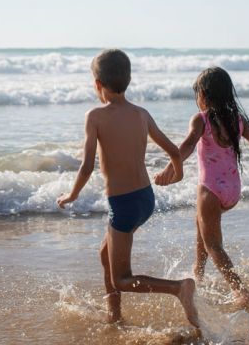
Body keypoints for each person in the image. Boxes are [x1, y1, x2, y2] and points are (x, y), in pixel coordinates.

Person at [58, 49, 199, 327]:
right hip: (145, 200)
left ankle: (178, 288)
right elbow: (173, 150)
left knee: (121, 278)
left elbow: (87, 166)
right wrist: (178, 174)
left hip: (122, 205)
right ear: (129, 79)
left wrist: (72, 194)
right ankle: (114, 315)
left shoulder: (95, 116)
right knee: (105, 255)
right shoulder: (141, 114)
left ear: (97, 84)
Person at [156, 66, 249, 310]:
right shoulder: (237, 121)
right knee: (201, 225)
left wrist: (170, 169)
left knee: (214, 245)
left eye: (197, 94)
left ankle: (240, 291)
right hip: (232, 191)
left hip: (210, 190)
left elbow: (187, 146)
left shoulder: (202, 120)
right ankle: (197, 274)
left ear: (205, 96)